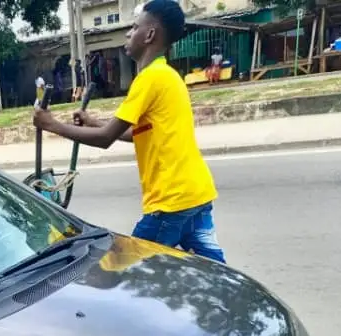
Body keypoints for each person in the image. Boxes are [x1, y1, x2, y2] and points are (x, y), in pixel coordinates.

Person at [32, 0, 226, 263]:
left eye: (134, 27)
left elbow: (106, 139)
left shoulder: (148, 78)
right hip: (197, 194)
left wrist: (51, 124)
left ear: (149, 35)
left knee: (122, 268)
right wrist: (93, 121)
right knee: (214, 271)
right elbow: (139, 132)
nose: (127, 33)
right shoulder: (167, 75)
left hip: (171, 202)